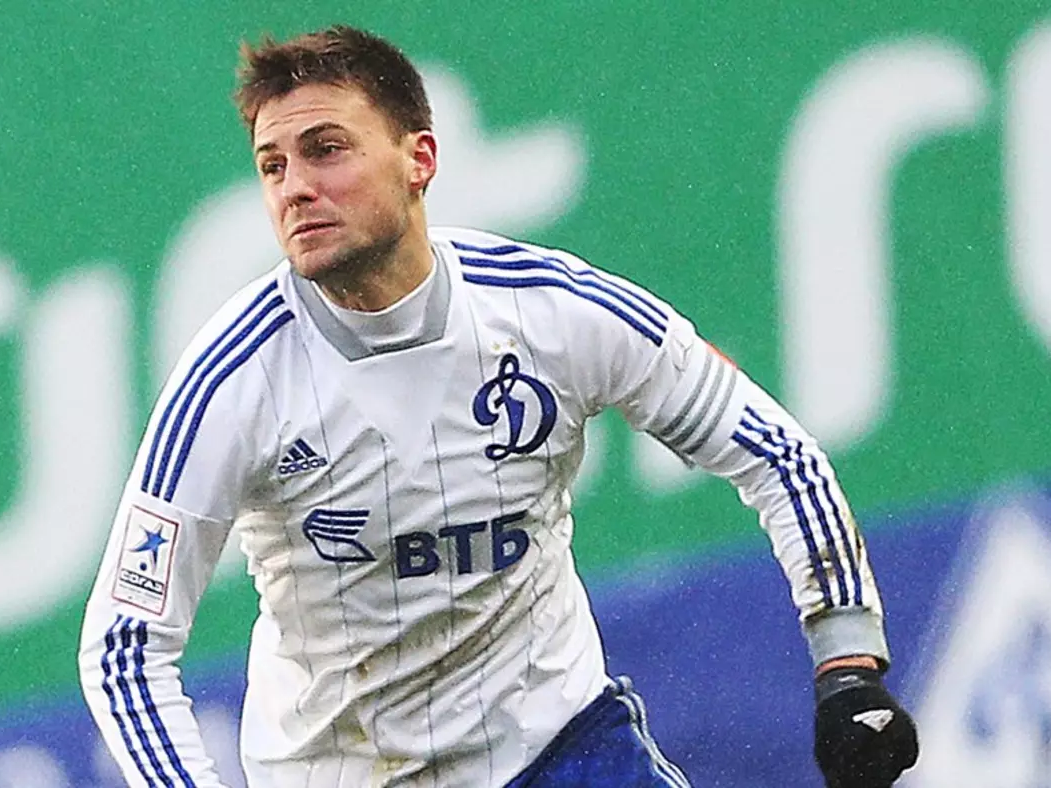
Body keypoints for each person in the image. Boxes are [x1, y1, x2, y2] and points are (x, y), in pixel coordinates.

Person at [77, 25, 918, 788]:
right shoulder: (231, 380)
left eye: (325, 150)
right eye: (273, 166)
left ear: (420, 159)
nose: (295, 188)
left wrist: (847, 664)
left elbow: (776, 454)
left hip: (557, 748)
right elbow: (124, 647)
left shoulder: (554, 312)